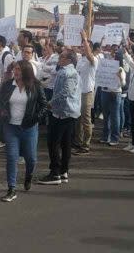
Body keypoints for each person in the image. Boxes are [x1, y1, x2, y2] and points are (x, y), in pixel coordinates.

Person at [0, 61, 48, 202]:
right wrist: (2, 112)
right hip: (11, 127)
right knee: (11, 157)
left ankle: (28, 176)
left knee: (31, 158)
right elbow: (0, 102)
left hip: (29, 128)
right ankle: (11, 188)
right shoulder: (8, 85)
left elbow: (44, 105)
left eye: (19, 69)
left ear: (26, 71)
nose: (16, 71)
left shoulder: (35, 86)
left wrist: (35, 119)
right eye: (15, 69)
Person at [39, 50, 81, 185]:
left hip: (63, 112)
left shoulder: (67, 72)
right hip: (68, 111)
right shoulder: (68, 71)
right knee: (65, 143)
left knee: (53, 142)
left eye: (62, 56)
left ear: (69, 60)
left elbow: (65, 92)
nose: (59, 58)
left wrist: (51, 103)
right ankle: (63, 171)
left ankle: (55, 173)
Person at [74, 31, 99, 154]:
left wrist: (84, 38)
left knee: (85, 119)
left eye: (84, 46)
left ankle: (86, 144)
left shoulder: (93, 59)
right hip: (78, 93)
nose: (82, 47)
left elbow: (89, 54)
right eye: (81, 46)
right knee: (77, 119)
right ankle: (78, 142)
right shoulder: (80, 59)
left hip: (87, 93)